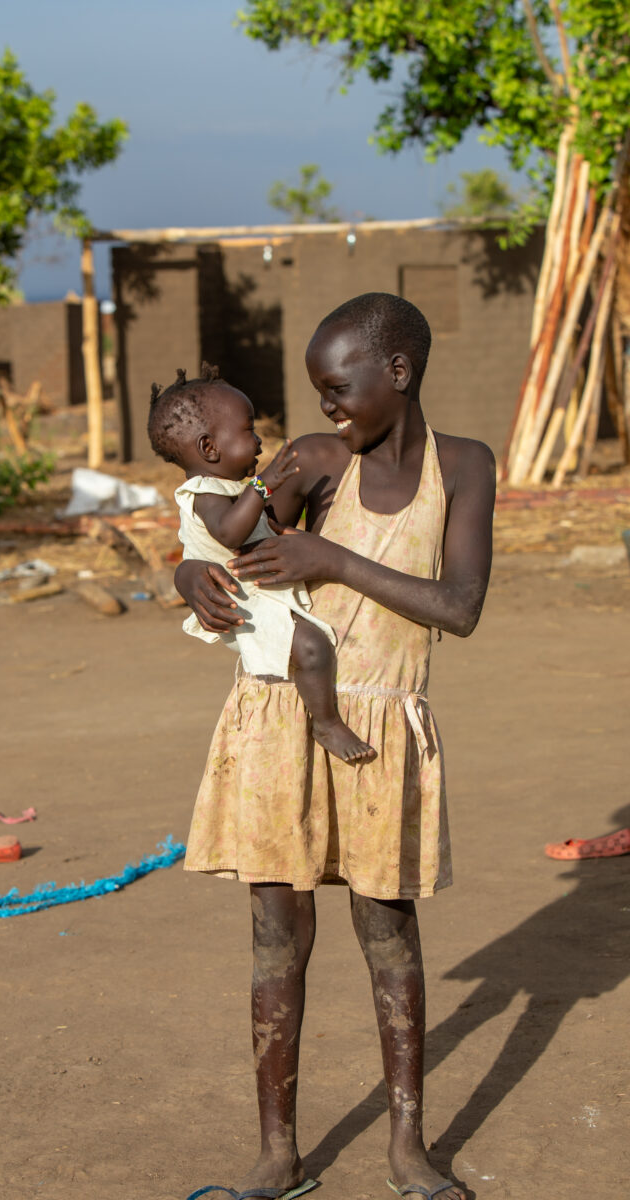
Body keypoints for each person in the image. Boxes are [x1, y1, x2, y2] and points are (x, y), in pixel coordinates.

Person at [175, 293, 496, 1200]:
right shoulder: (317, 462)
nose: (325, 406)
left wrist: (336, 561)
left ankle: (408, 1149)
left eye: (338, 387)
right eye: (319, 390)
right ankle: (278, 1153)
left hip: (379, 731)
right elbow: (224, 539)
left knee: (388, 934)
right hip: (281, 719)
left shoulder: (463, 466)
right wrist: (187, 573)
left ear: (398, 372)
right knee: (277, 938)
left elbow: (460, 607)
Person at [149, 364, 375, 764]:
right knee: (312, 647)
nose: (257, 441)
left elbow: (257, 527)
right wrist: (263, 484)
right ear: (209, 448)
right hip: (244, 599)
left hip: (254, 591)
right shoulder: (204, 493)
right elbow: (230, 533)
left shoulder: (227, 489)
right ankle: (326, 724)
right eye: (248, 430)